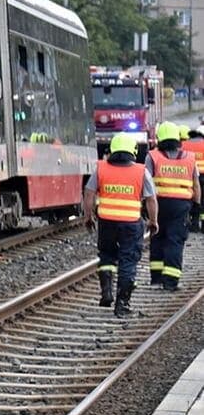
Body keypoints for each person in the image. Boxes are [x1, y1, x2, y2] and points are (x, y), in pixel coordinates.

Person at [83, 132, 159, 317]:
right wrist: (153, 221)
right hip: (131, 225)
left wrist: (88, 216)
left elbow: (89, 193)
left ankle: (106, 292)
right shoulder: (141, 172)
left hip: (107, 223)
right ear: (133, 151)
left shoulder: (101, 169)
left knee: (107, 255)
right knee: (128, 261)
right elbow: (150, 199)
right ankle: (122, 304)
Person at [147, 121, 198, 290]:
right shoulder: (190, 158)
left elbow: (145, 183)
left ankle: (156, 278)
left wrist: (144, 206)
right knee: (174, 241)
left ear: (159, 138)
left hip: (158, 204)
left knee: (157, 237)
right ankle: (170, 282)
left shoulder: (152, 156)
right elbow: (196, 184)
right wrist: (197, 207)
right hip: (181, 206)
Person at [182, 126, 204, 233]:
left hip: (189, 177)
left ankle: (193, 223)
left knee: (193, 200)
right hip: (202, 177)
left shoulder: (183, 145)